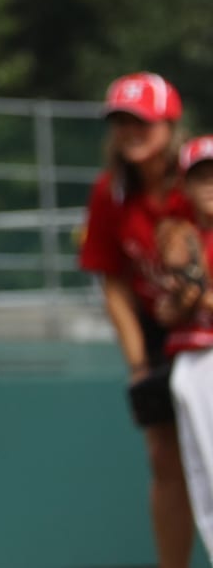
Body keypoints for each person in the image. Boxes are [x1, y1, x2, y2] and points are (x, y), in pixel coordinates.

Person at [82, 71, 195, 568]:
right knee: (164, 462)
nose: (131, 131)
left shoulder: (198, 182)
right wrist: (137, 364)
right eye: (122, 121)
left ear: (170, 123)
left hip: (205, 328)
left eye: (142, 120)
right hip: (156, 333)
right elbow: (115, 283)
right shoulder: (112, 194)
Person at [154, 134, 213, 557]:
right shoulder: (183, 234)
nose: (210, 184)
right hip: (189, 362)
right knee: (202, 477)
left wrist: (197, 287)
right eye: (201, 176)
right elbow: (166, 314)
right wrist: (182, 293)